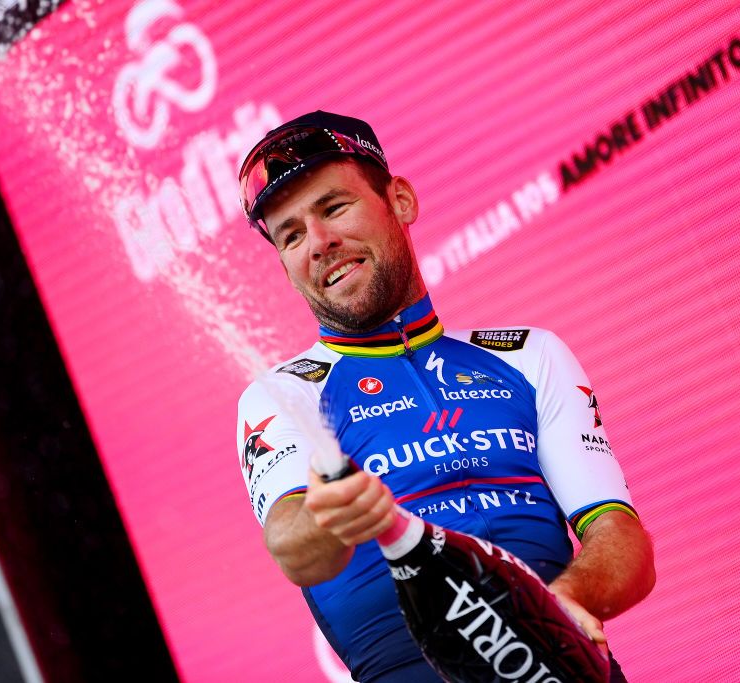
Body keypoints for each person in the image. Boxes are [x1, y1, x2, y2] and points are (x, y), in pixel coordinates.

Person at [235, 111, 655, 682]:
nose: (319, 242)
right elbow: (292, 545)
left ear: (400, 200)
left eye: (334, 208)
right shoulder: (282, 396)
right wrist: (326, 514)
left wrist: (547, 617)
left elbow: (621, 537)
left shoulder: (528, 356)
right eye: (291, 235)